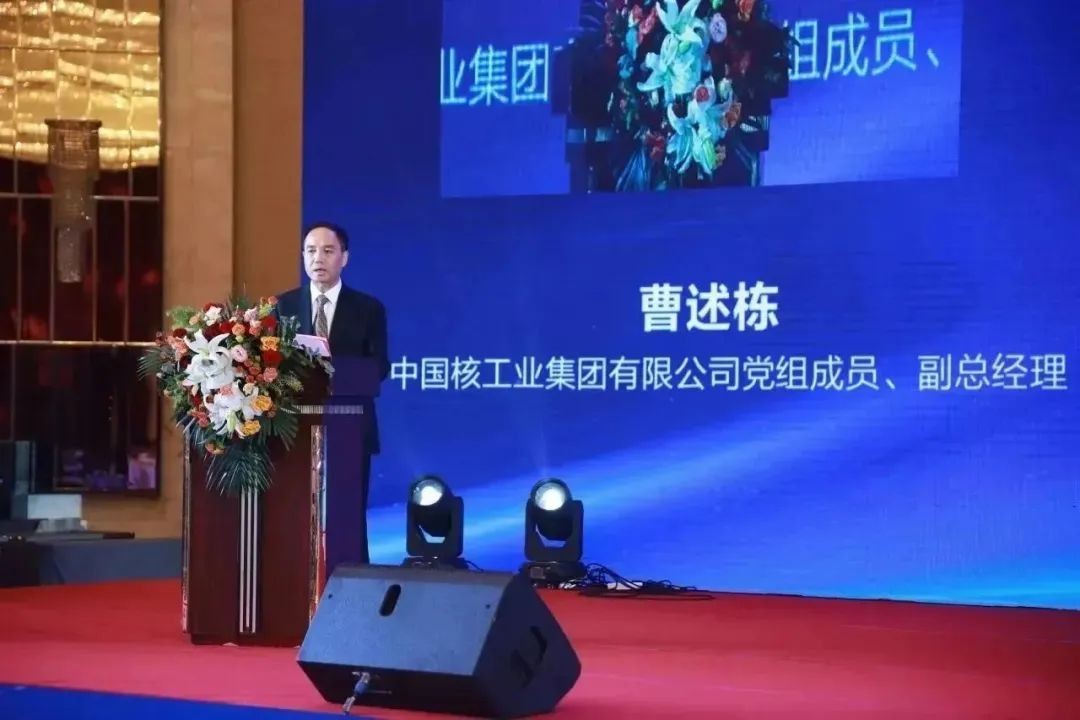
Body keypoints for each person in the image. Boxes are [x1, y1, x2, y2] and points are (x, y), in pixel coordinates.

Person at [276, 221, 389, 564]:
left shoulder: (368, 309)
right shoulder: (283, 306)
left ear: (344, 258)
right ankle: (294, 577)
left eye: (327, 251)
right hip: (295, 428)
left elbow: (379, 366)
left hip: (349, 428)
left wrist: (334, 368)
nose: (318, 259)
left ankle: (351, 580)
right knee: (294, 514)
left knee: (347, 516)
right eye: (311, 251)